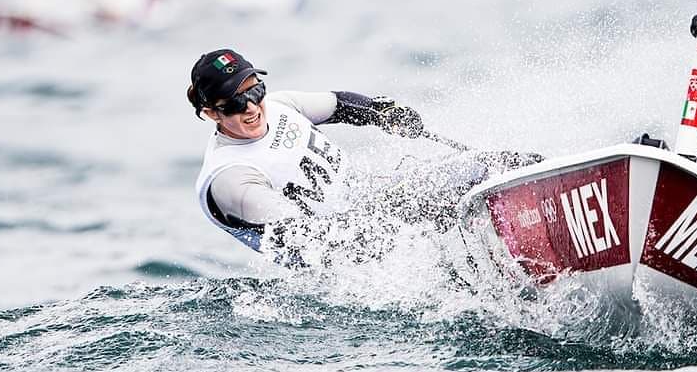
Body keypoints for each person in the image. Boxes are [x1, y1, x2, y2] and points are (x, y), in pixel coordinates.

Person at [188, 48, 539, 266]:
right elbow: (304, 234)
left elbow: (339, 104)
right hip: (348, 252)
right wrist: (397, 233)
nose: (251, 107)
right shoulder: (230, 178)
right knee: (455, 187)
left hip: (374, 201)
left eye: (255, 91)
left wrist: (383, 112)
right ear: (210, 114)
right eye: (234, 103)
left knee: (492, 165)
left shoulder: (281, 106)